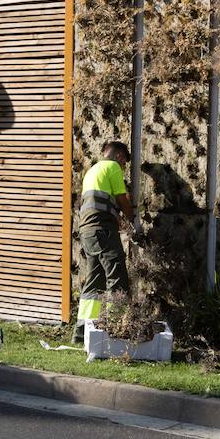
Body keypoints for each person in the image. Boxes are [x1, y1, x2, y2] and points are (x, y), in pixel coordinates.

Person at [75, 140, 139, 343]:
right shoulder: (113, 167)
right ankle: (116, 328)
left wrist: (117, 219)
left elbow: (100, 204)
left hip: (88, 232)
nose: (123, 167)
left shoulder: (92, 171)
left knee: (94, 281)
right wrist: (133, 220)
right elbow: (122, 199)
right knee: (117, 276)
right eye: (124, 163)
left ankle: (82, 332)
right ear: (119, 156)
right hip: (103, 231)